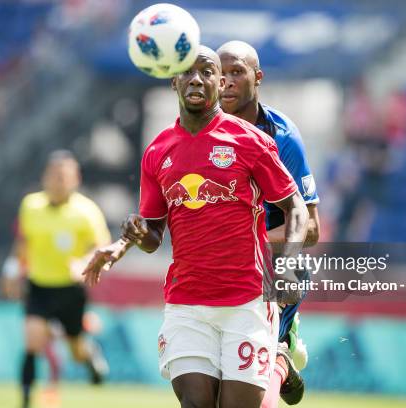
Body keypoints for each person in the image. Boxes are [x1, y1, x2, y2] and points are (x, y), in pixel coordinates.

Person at [83, 46, 309, 408]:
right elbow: (154, 234)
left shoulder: (251, 141)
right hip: (187, 303)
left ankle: (282, 354)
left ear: (220, 83)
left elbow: (295, 206)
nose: (196, 79)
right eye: (187, 72)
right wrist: (138, 236)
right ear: (174, 81)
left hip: (246, 301)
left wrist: (286, 265)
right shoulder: (157, 151)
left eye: (207, 72)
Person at [217, 40, 320, 407]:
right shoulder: (200, 132)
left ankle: (280, 345)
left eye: (237, 72)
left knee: (250, 384)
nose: (226, 82)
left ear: (258, 78)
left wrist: (246, 239)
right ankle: (284, 348)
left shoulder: (282, 136)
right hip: (215, 270)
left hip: (269, 266)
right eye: (220, 74)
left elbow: (310, 228)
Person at [0, 150, 110, 408]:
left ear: (75, 179)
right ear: (45, 178)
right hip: (39, 287)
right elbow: (23, 242)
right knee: (33, 340)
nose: (58, 181)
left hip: (71, 290)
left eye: (64, 176)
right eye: (54, 176)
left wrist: (84, 262)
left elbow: (102, 246)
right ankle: (26, 398)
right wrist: (10, 271)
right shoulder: (31, 205)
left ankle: (90, 355)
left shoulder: (87, 211)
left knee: (76, 350)